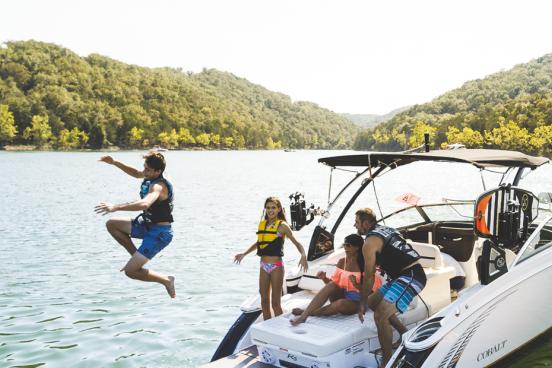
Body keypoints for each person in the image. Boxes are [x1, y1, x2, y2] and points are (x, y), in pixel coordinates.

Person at [95, 152, 176, 298]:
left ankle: (166, 280)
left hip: (160, 233)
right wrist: (114, 162)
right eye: (144, 168)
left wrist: (116, 207)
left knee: (131, 272)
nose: (144, 172)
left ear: (158, 171)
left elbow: (145, 203)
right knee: (112, 224)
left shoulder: (158, 186)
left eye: (148, 170)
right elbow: (135, 173)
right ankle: (135, 257)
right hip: (145, 225)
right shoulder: (149, 175)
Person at [355, 208, 427, 367]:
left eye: (357, 222)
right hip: (401, 276)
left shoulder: (369, 243)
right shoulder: (387, 229)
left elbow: (369, 276)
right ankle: (404, 333)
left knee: (380, 315)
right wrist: (367, 301)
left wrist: (361, 304)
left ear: (366, 223)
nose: (355, 225)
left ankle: (387, 361)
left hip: (412, 276)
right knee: (374, 302)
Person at [234, 197, 309, 320]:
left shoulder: (282, 226)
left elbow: (297, 243)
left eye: (273, 207)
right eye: (268, 208)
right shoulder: (263, 224)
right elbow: (259, 243)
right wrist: (244, 253)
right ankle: (268, 324)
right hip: (263, 266)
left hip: (276, 268)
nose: (270, 210)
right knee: (264, 301)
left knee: (275, 304)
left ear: (279, 209)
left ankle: (281, 328)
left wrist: (303, 255)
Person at [290, 234, 382, 326]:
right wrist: (324, 278)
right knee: (332, 285)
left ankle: (306, 313)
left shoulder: (366, 264)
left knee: (341, 303)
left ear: (357, 247)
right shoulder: (342, 262)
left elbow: (371, 294)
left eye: (348, 245)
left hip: (359, 302)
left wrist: (356, 285)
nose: (345, 248)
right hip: (342, 295)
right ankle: (304, 316)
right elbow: (333, 286)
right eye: (344, 245)